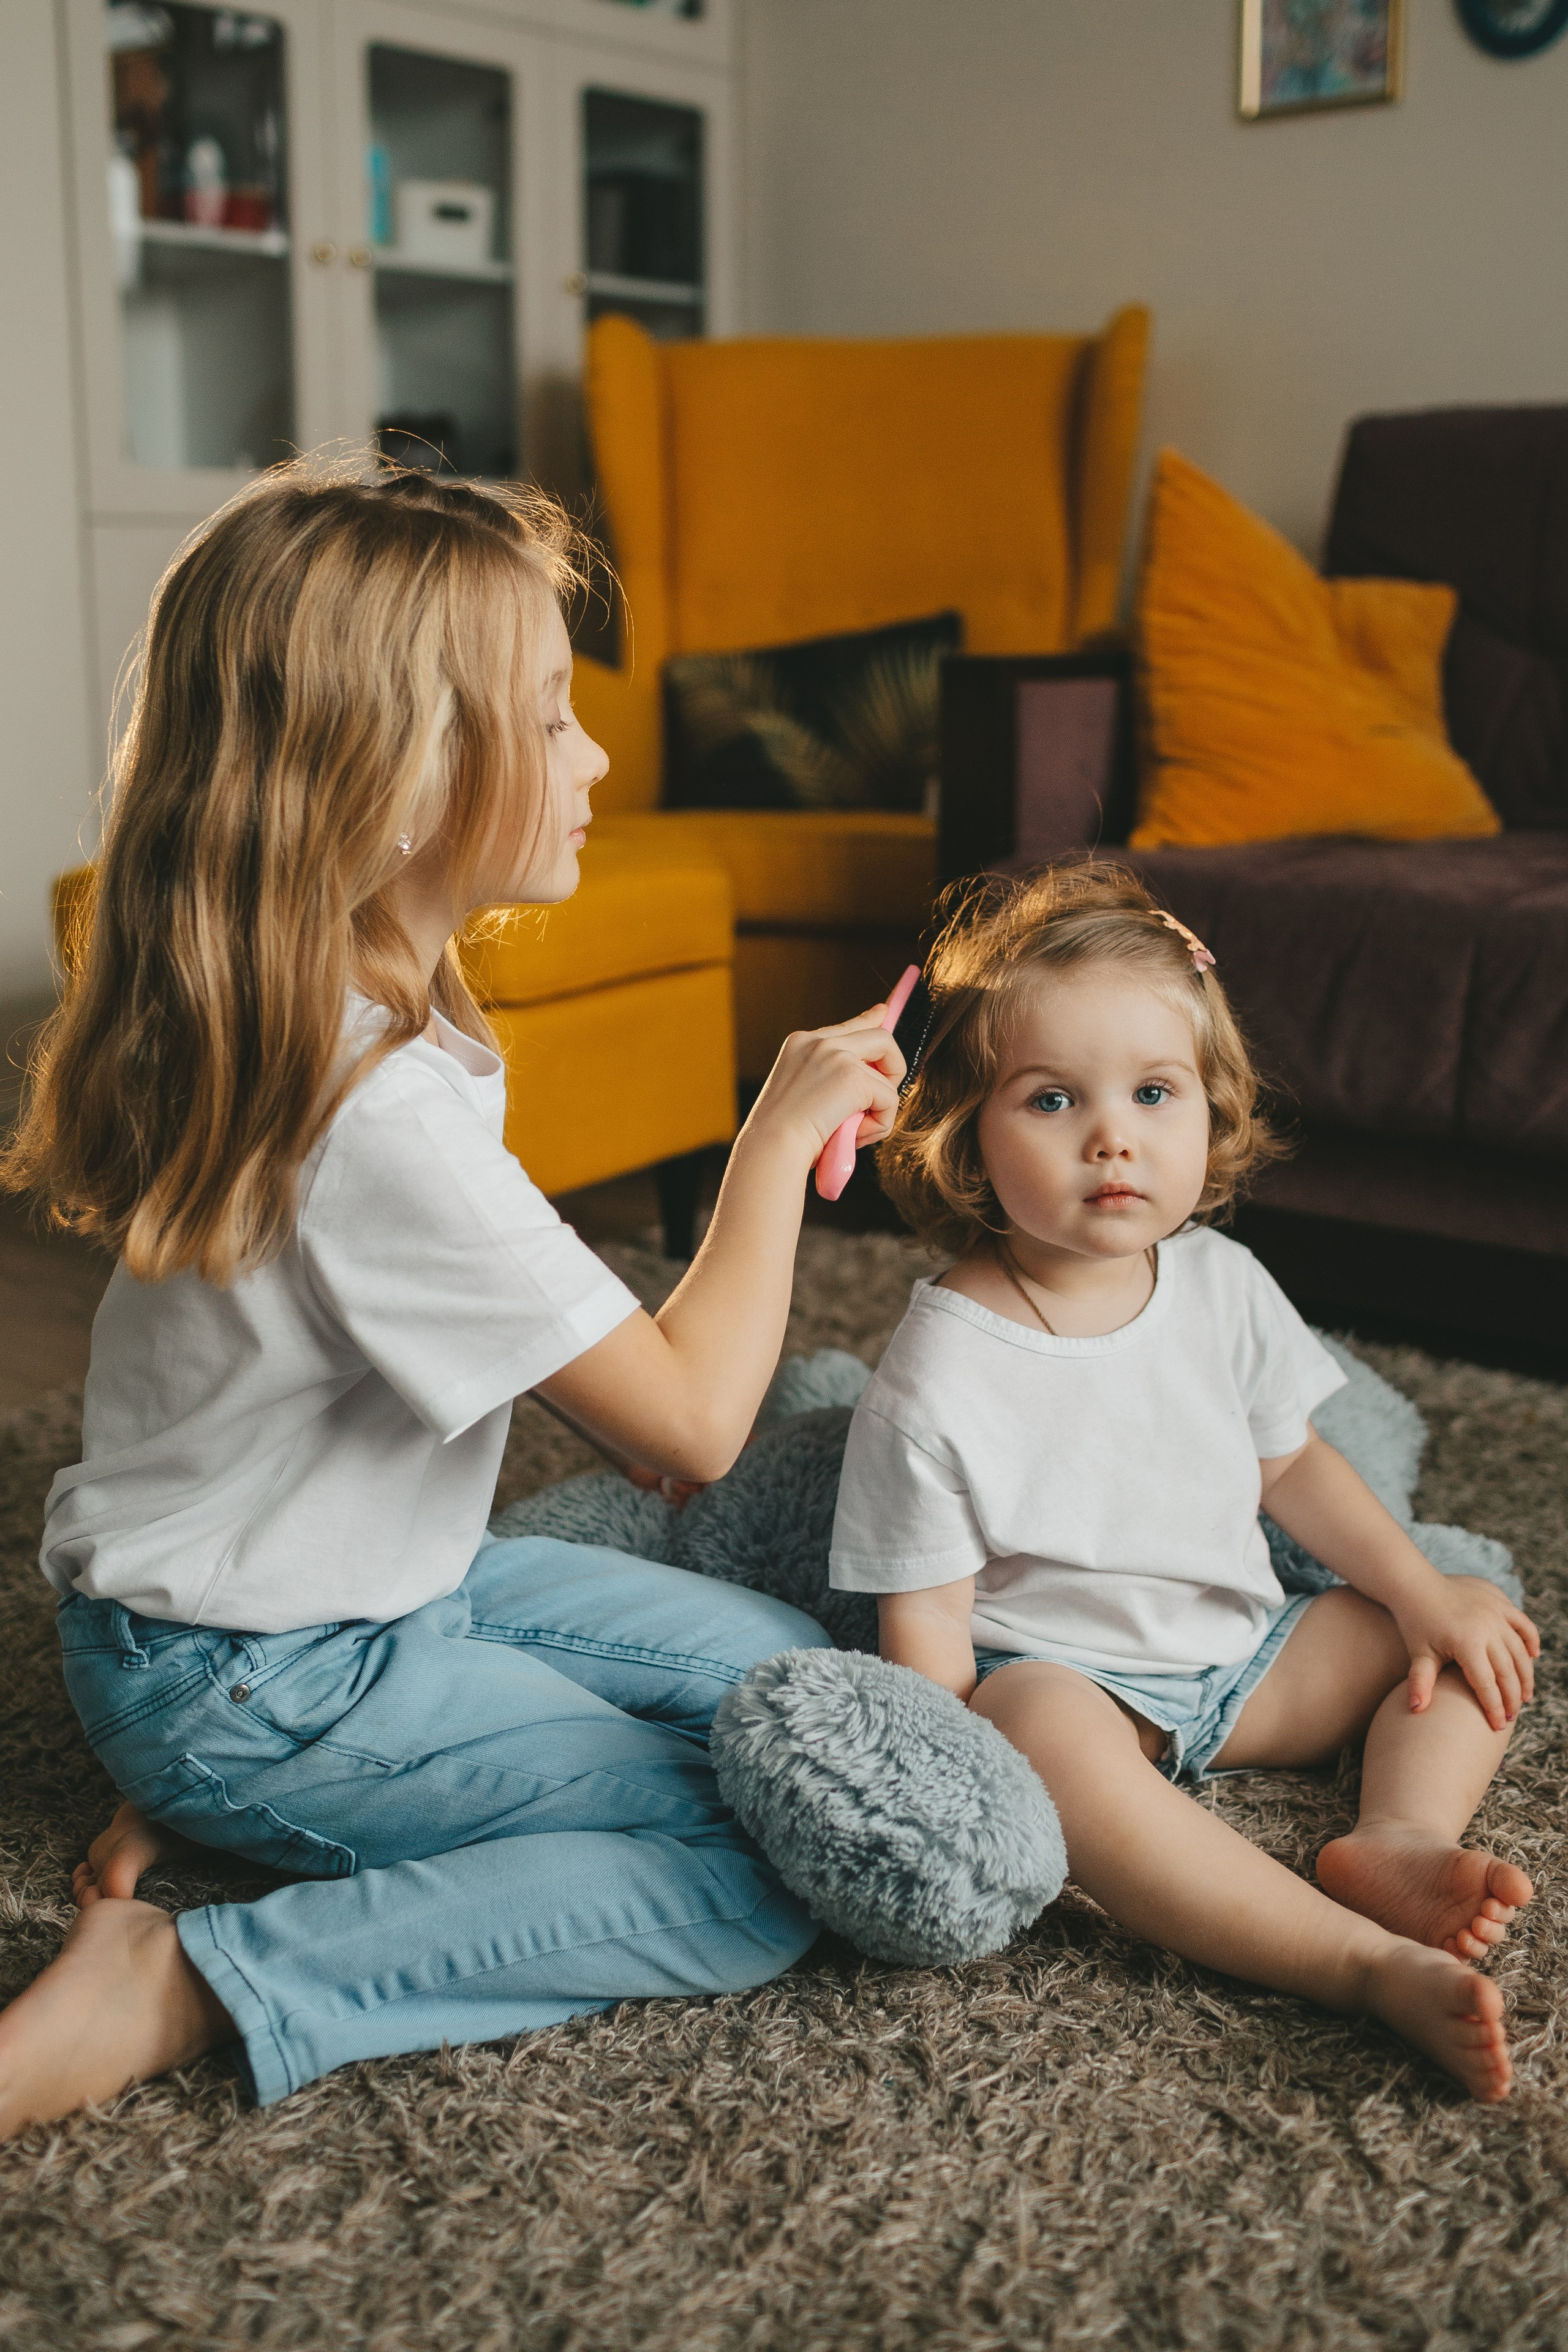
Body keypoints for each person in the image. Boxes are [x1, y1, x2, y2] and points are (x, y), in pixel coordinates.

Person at [0, 454, 908, 2137]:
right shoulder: (381, 1113)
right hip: (270, 1673)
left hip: (354, 1600)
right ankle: (196, 1979)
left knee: (801, 1685)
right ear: (404, 775)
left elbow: (557, 1370)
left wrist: (618, 1381)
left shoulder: (327, 1009)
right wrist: (775, 1138)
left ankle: (226, 1806)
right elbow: (700, 1429)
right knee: (761, 1850)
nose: (600, 758)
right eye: (554, 717)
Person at [829, 863, 1539, 2103]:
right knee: (1026, 1724)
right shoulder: (936, 1370)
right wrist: (954, 1801)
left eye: (1152, 1093)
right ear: (964, 1139)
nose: (1112, 1136)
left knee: (1468, 1609)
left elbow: (1293, 1466)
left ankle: (1396, 1838)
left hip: (1242, 1663)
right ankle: (1353, 1964)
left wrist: (1420, 1596)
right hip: (1080, 1692)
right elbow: (928, 1636)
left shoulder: (1216, 1283)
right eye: (1051, 1099)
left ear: (1207, 1115)